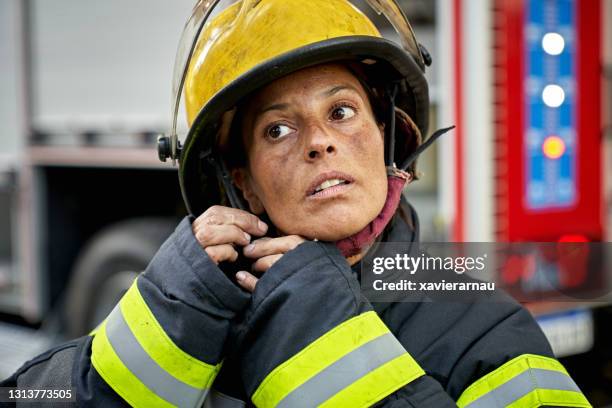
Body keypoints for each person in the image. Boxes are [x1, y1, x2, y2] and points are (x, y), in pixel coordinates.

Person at [2, 1, 591, 407]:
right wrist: (169, 306)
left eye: (340, 111)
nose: (319, 141)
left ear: (388, 136)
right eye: (277, 130)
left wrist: (321, 337)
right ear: (245, 182)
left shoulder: (482, 322)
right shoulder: (194, 308)